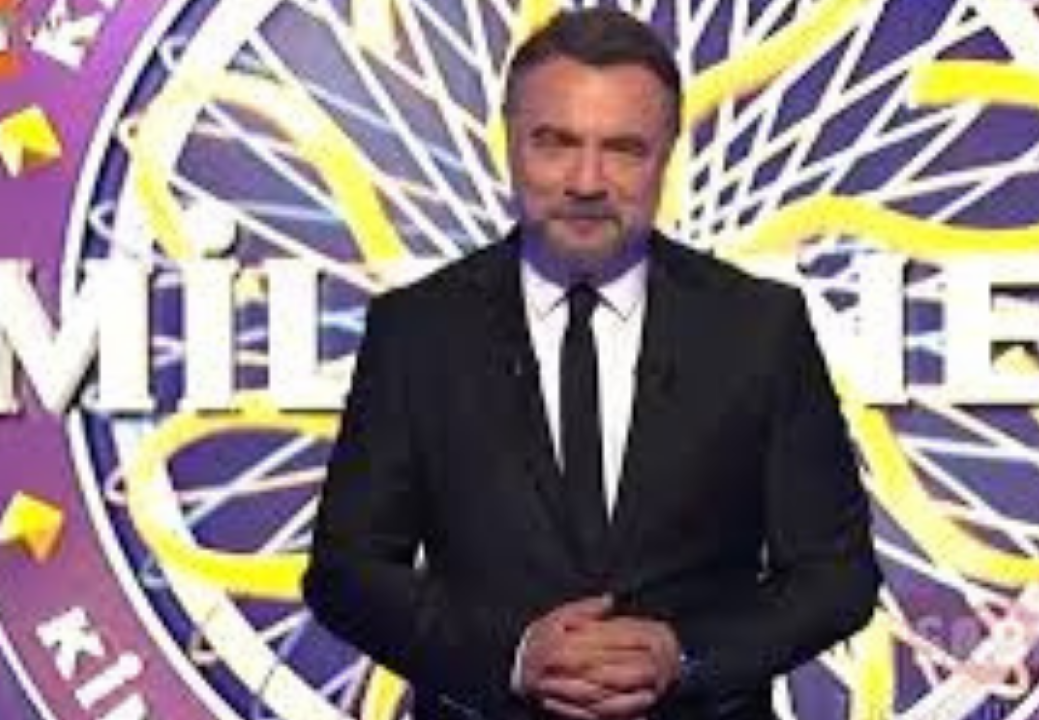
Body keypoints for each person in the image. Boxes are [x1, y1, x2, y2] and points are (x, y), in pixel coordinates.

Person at [303, 8, 881, 720]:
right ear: (510, 142)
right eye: (555, 142)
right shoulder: (417, 330)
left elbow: (836, 577)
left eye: (624, 149)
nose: (586, 180)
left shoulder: (760, 327)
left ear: (667, 157)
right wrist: (510, 656)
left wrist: (685, 656)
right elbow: (346, 572)